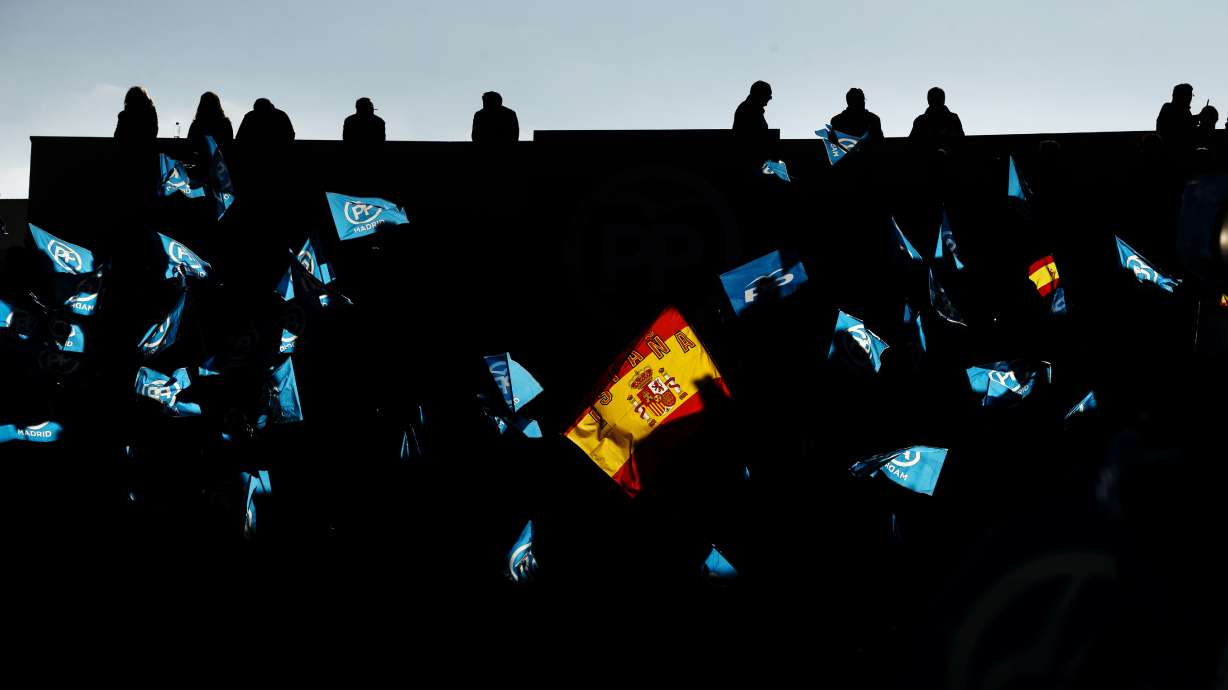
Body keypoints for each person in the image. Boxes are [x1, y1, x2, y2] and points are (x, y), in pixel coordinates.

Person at [1156, 84, 1195, 149]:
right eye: (1189, 95)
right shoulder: (1168, 108)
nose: (1190, 98)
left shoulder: (1185, 111)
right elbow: (1180, 125)